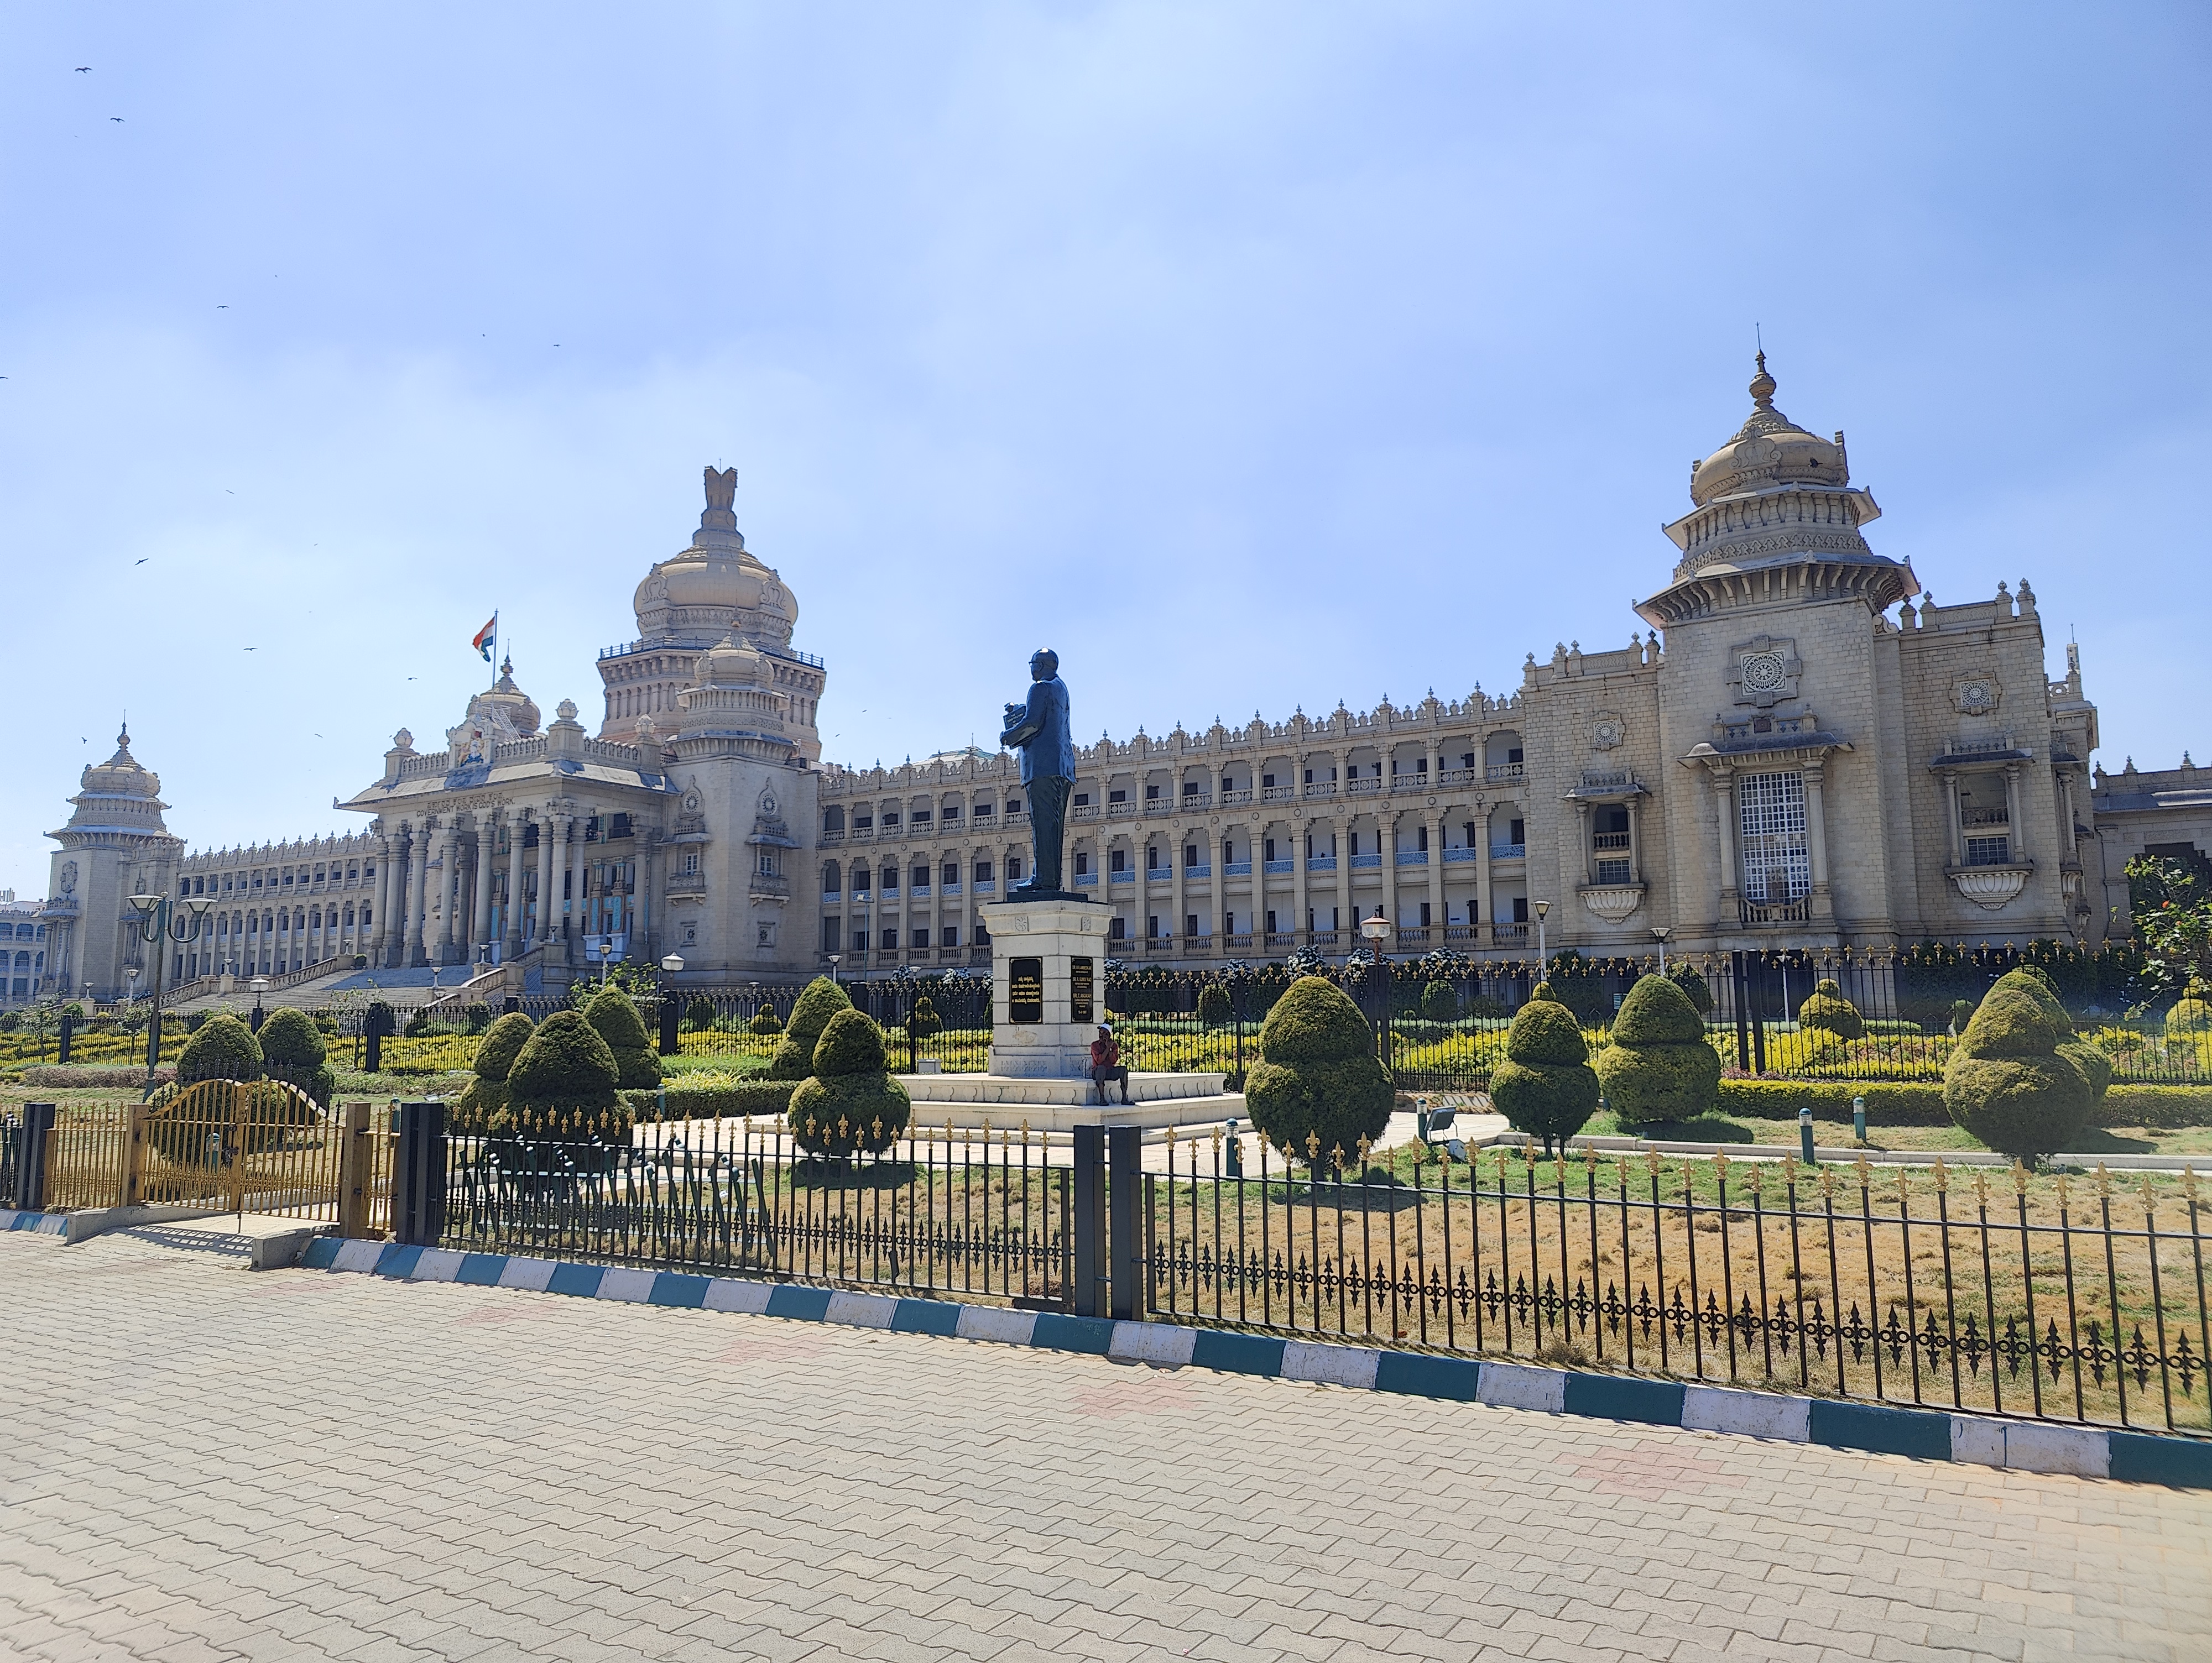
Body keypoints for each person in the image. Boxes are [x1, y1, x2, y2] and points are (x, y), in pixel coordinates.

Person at [1089, 1022, 1130, 1107]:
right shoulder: (1095, 1045)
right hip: (1098, 1072)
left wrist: (1110, 1048)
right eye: (1100, 1033)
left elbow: (1114, 1061)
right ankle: (1102, 1099)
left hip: (1109, 1071)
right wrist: (1107, 1048)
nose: (1101, 1035)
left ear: (1109, 1035)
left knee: (1123, 1070)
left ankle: (1124, 1098)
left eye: (1104, 1033)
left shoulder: (1114, 1046)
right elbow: (1099, 1061)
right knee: (1101, 1068)